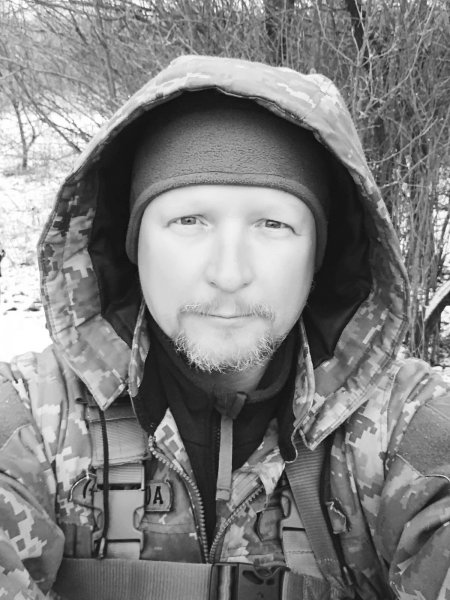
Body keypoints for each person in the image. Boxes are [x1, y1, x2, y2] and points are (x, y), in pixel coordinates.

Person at [0, 55, 449, 600]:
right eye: (189, 221)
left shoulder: (403, 427)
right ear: (133, 244)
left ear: (320, 256)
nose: (229, 274)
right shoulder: (31, 421)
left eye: (273, 225)